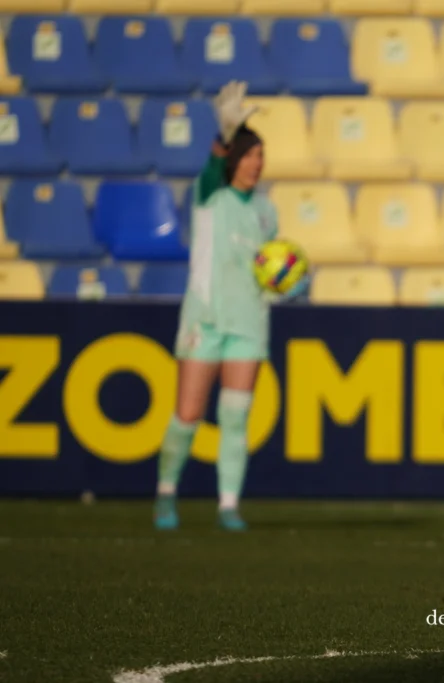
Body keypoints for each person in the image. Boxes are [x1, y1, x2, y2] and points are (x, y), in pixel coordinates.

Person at [153, 81, 307, 532]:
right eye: (249, 155)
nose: (256, 164)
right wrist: (224, 135)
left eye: (261, 156)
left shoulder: (266, 211)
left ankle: (228, 504)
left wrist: (283, 286)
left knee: (236, 417)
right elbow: (209, 169)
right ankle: (166, 493)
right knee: (188, 415)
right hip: (204, 319)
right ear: (233, 160)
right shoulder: (209, 196)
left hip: (248, 322)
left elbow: (268, 268)